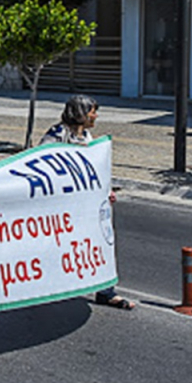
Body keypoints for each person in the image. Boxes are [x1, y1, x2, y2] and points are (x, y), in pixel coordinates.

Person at [40, 95, 134, 310]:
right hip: (63, 207)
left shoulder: (88, 136)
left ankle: (106, 291)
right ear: (80, 112)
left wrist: (106, 190)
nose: (96, 115)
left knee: (100, 241)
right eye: (92, 111)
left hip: (86, 206)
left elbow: (94, 170)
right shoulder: (57, 134)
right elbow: (41, 164)